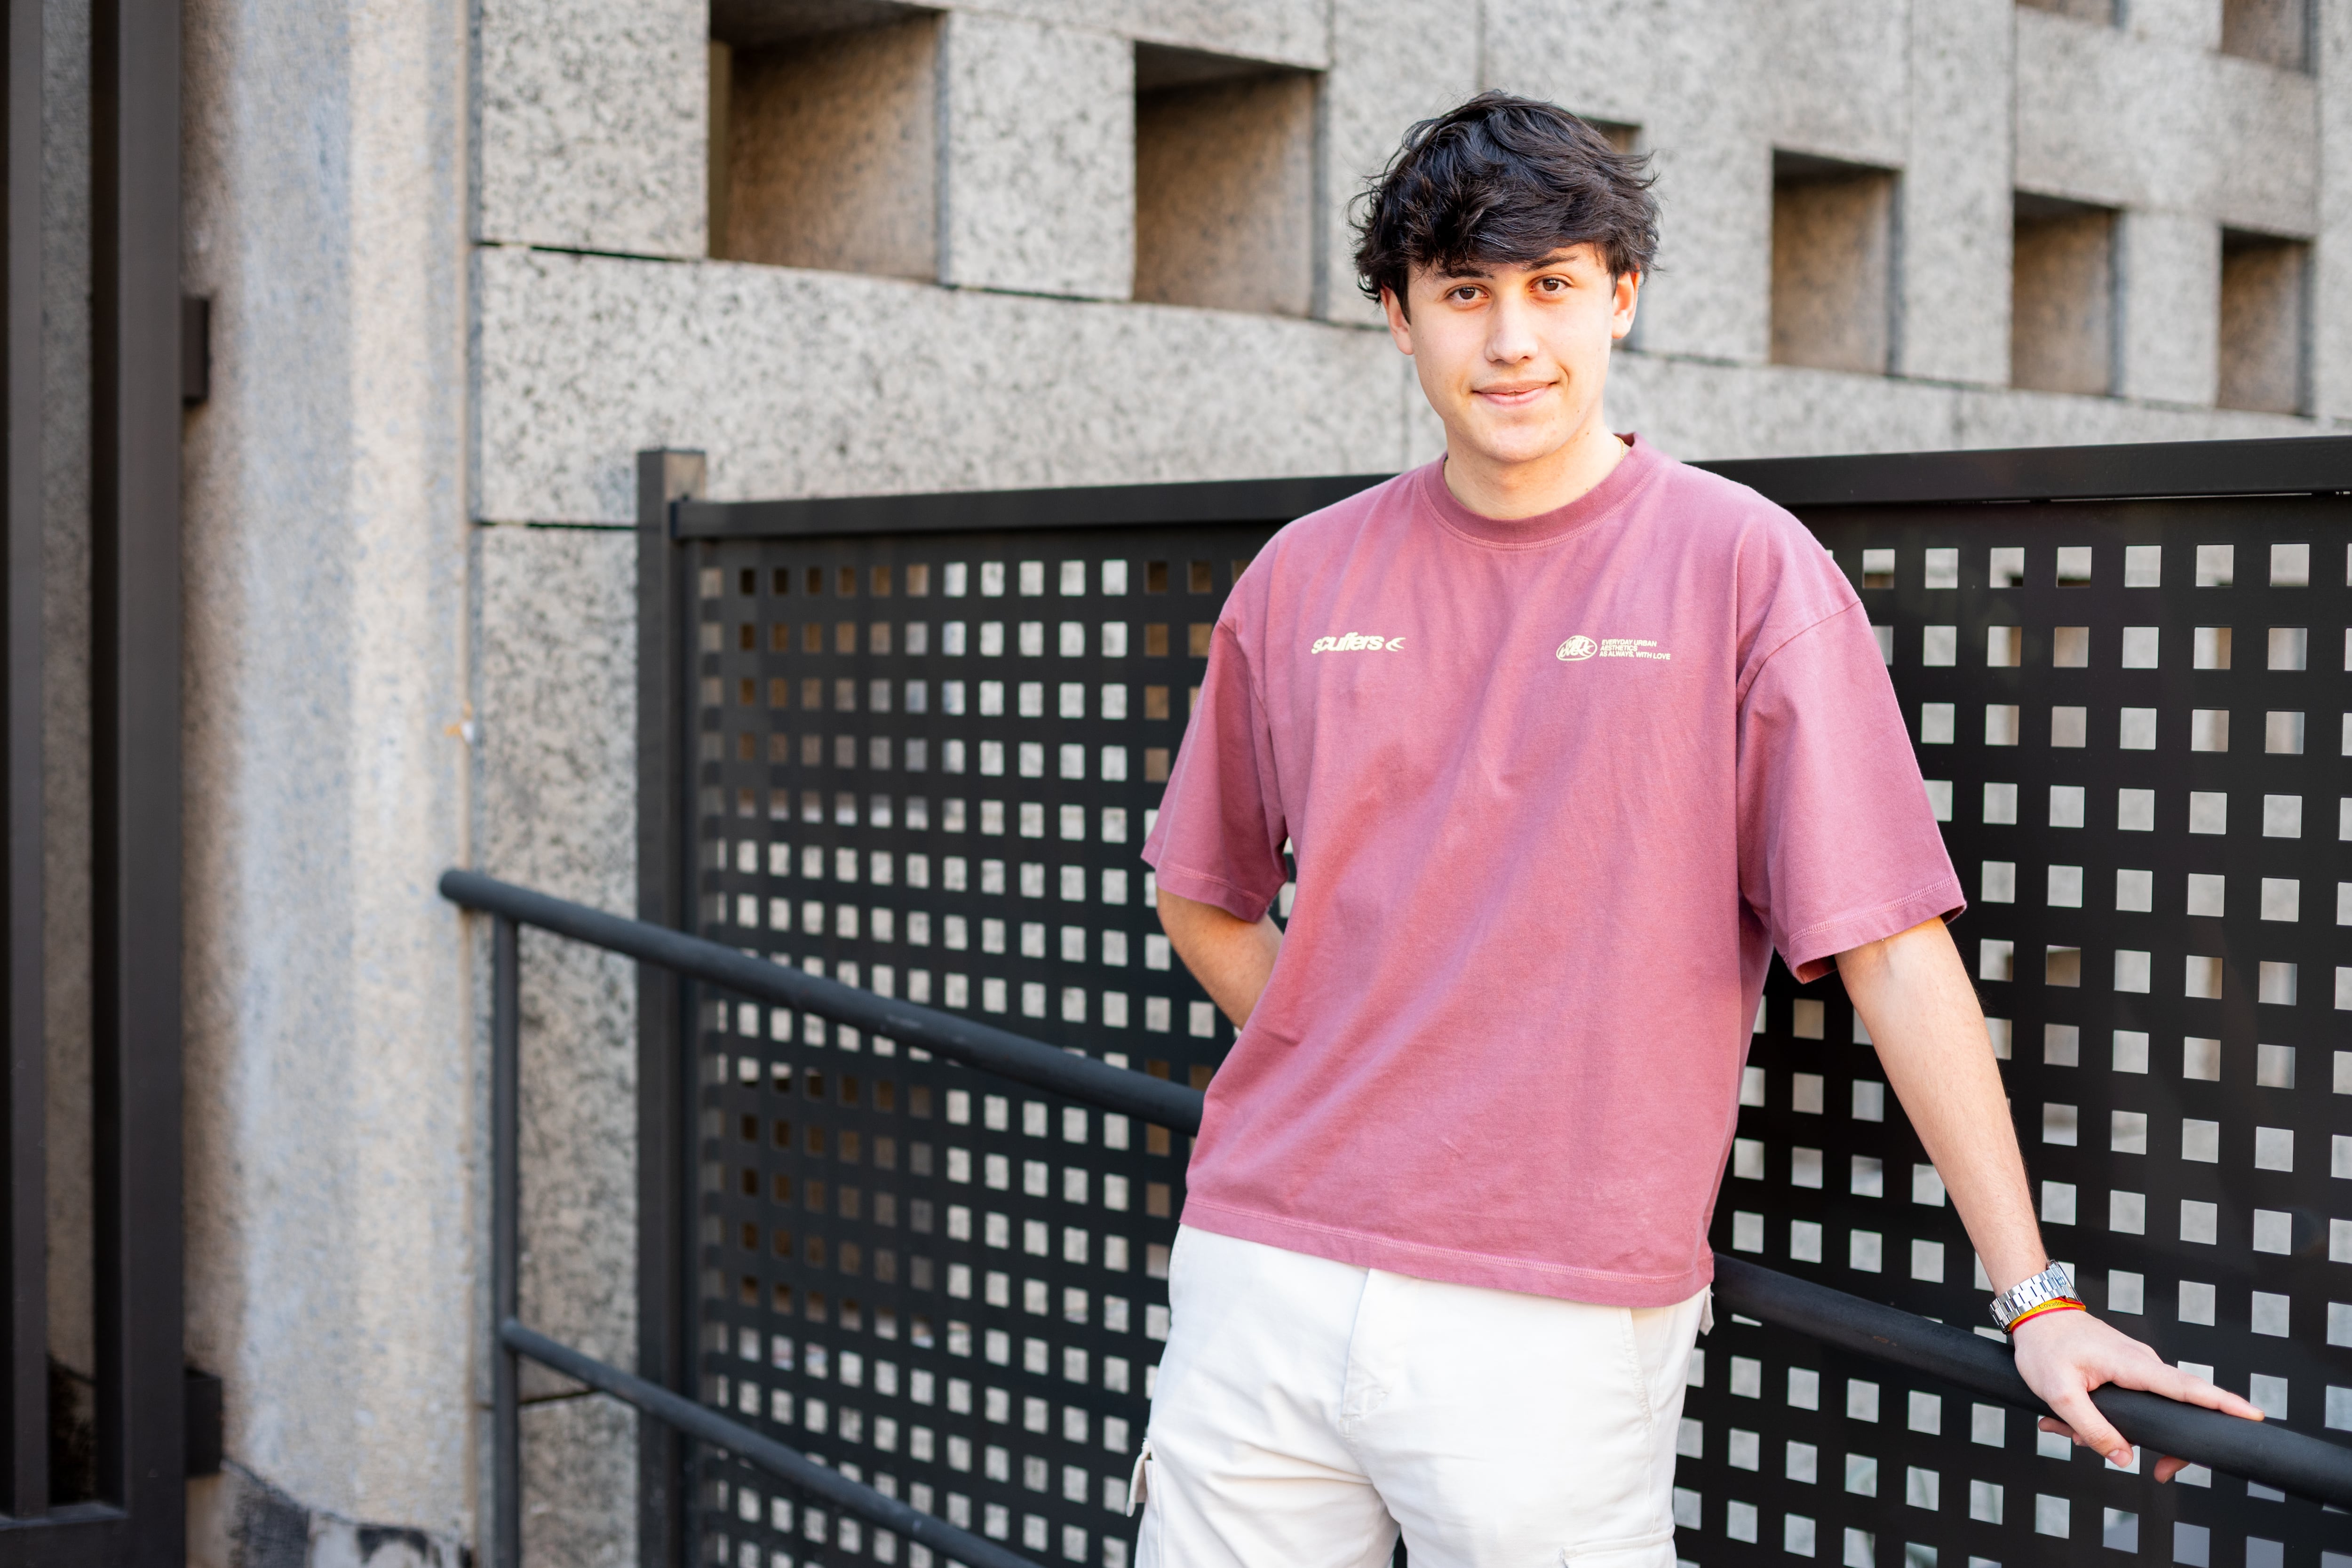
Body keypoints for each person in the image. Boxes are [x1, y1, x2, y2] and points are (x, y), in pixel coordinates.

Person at [1129, 92, 2261, 1567]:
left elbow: (1894, 950)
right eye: (1463, 294)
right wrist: (1354, 1050)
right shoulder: (1300, 576)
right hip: (1262, 1266)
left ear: (1623, 300)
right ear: (1399, 319)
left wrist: (2035, 1297)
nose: (1512, 340)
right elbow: (1202, 890)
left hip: (1558, 1317)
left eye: (1553, 287)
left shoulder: (1745, 569)